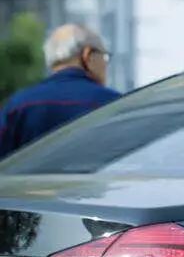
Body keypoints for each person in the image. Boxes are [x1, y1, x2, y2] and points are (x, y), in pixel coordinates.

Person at [0, 22, 119, 160]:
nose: (105, 64)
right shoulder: (114, 105)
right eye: (104, 56)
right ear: (87, 55)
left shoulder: (19, 106)